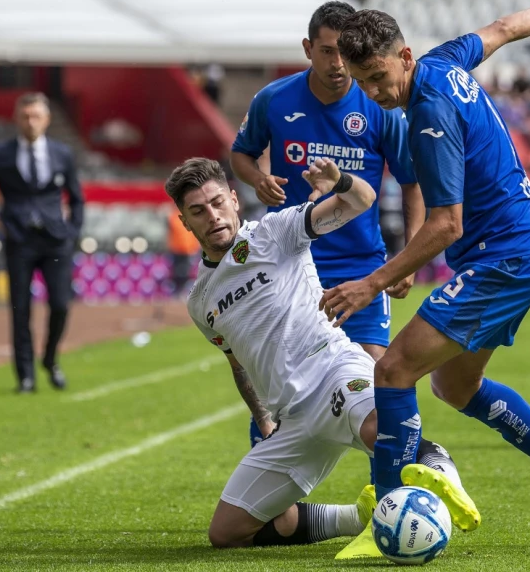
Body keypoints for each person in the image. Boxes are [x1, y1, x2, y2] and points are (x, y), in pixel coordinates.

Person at [320, 0, 530, 542]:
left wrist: (375, 281)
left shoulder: (430, 115)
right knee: (455, 388)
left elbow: (446, 224)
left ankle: (387, 513)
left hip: (502, 258)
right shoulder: (442, 61)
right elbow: (506, 28)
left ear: (403, 56)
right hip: (516, 251)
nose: (375, 93)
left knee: (392, 370)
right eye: (363, 82)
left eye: (380, 77)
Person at [164, 157, 475, 557]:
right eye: (198, 211)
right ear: (185, 221)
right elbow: (237, 363)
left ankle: (443, 473)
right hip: (293, 419)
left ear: (235, 200)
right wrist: (263, 419)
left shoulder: (277, 231)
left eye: (217, 202)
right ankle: (362, 517)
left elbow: (361, 200)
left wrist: (342, 180)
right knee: (228, 532)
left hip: (333, 372)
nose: (213, 216)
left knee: (379, 430)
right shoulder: (200, 301)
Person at [230, 1, 424, 365]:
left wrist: (409, 259)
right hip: (288, 263)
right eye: (327, 52)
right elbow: (240, 153)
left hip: (360, 266)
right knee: (284, 386)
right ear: (308, 49)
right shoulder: (273, 100)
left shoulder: (380, 107)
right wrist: (258, 179)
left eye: (344, 53)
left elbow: (412, 183)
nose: (337, 63)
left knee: (372, 382)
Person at [0, 92, 84, 393]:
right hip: (18, 239)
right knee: (20, 310)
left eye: (36, 116)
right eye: (25, 116)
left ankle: (51, 358)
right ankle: (25, 377)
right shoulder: (1, 153)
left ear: (47, 119)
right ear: (16, 119)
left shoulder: (62, 154)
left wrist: (72, 232)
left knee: (60, 304)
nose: (31, 121)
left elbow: (77, 198)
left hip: (56, 240)